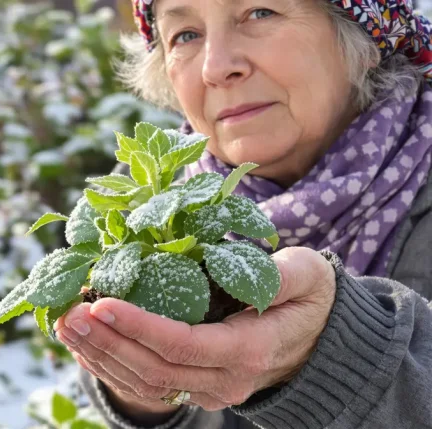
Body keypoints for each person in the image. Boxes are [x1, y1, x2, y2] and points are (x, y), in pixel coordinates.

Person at [53, 0, 432, 428]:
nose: (215, 68)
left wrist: (333, 353)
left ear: (366, 36)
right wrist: (145, 387)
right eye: (186, 36)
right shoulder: (148, 202)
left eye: (260, 12)